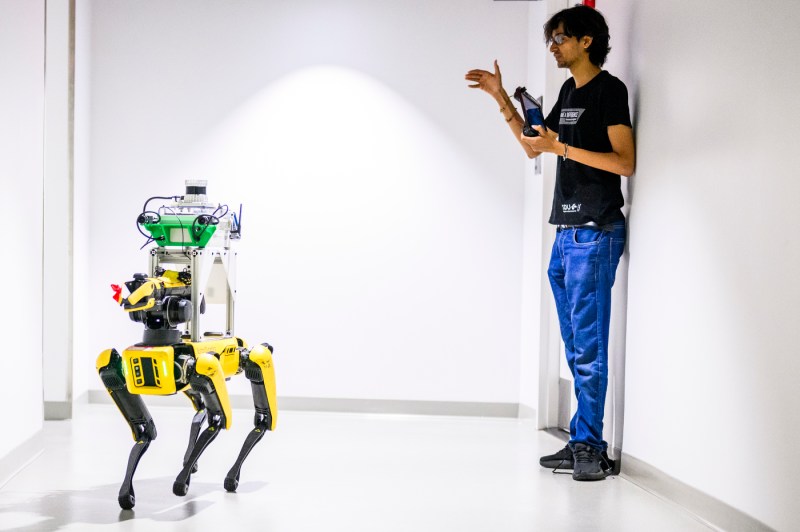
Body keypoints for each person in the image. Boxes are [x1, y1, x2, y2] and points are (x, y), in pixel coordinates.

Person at [465, 5, 634, 481]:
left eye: (560, 37)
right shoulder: (567, 91)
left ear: (586, 41)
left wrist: (560, 147)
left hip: (596, 232)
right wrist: (502, 99)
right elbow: (533, 144)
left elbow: (624, 162)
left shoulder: (610, 91)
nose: (553, 46)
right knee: (575, 342)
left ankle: (590, 448)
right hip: (565, 236)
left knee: (588, 346)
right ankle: (582, 438)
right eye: (551, 39)